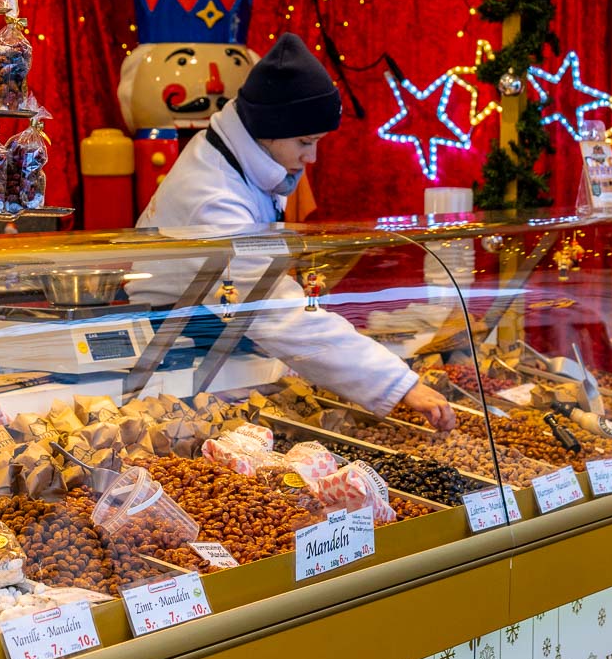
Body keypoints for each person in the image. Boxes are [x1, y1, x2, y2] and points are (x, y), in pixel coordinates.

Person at [137, 32, 458, 428]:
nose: (312, 156)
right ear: (268, 130)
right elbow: (272, 309)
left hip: (218, 333)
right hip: (175, 345)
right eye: (306, 142)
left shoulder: (246, 154)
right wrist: (397, 383)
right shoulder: (212, 194)